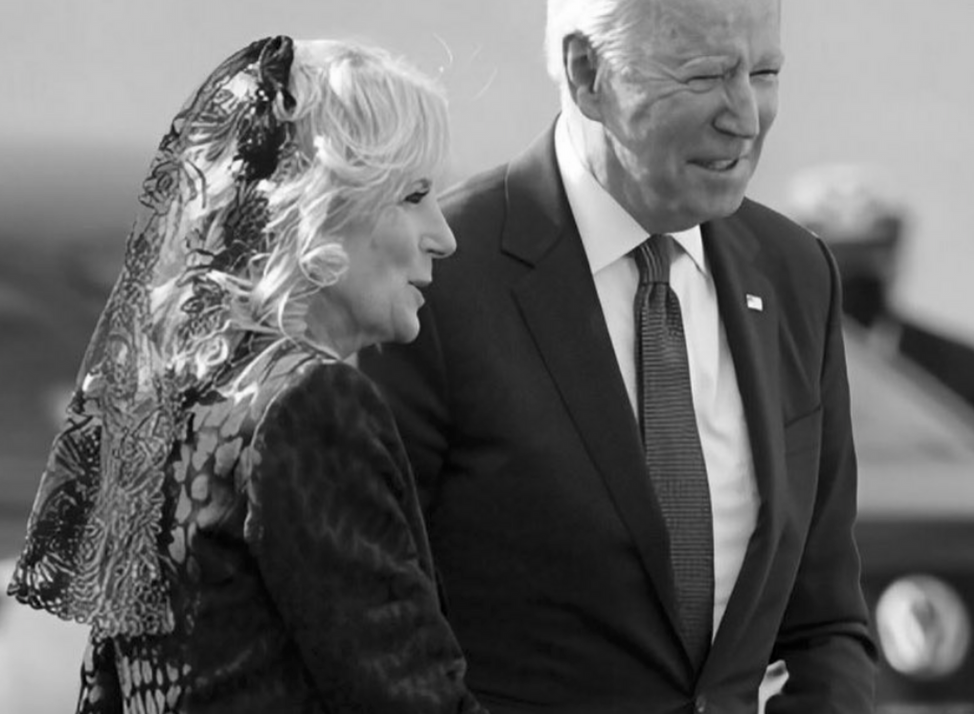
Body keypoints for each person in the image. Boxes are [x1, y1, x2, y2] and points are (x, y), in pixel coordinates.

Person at [360, 1, 879, 712]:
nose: (746, 117)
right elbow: (372, 627)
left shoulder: (796, 273)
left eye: (764, 72)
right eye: (704, 77)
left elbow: (824, 624)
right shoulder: (437, 281)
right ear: (587, 72)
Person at [7, 35, 487, 713]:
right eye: (413, 196)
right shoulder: (310, 404)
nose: (444, 234)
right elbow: (407, 695)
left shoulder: (168, 390)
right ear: (322, 207)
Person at [787, 163, 974, 425]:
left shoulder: (963, 370)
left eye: (870, 253)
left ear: (895, 252)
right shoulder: (764, 361)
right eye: (838, 256)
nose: (854, 272)